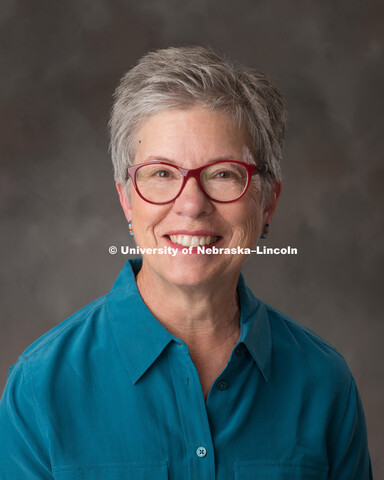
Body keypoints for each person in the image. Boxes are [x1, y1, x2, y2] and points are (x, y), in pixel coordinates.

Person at [0, 46, 372, 479]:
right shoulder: (40, 388)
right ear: (126, 198)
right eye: (161, 174)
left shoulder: (324, 382)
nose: (191, 205)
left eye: (223, 174)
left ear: (268, 201)